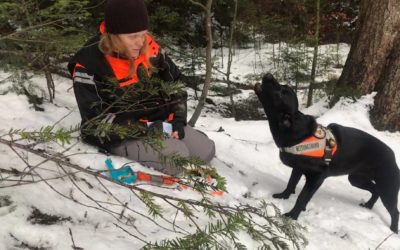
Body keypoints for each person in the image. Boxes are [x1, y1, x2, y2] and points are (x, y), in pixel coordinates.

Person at [68, 0, 215, 176]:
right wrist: (147, 128)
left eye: (143, 34)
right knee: (179, 159)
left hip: (159, 122)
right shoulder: (89, 64)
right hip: (120, 135)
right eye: (132, 36)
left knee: (206, 151)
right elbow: (95, 123)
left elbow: (175, 83)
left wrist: (177, 119)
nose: (140, 42)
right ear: (113, 35)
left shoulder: (150, 49)